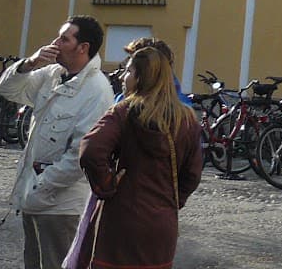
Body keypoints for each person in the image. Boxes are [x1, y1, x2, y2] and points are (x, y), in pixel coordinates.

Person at [0, 15, 115, 269]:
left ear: (83, 48)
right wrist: (29, 63)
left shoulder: (97, 91)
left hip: (61, 206)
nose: (55, 42)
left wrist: (41, 187)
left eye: (64, 38)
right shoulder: (52, 73)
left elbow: (79, 155)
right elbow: (7, 90)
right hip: (34, 196)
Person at [77, 43, 203, 269]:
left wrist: (106, 184)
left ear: (141, 77)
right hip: (161, 224)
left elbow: (91, 149)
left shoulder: (123, 112)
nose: (124, 77)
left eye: (129, 71)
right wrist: (173, 199)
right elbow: (192, 174)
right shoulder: (187, 119)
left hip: (121, 219)